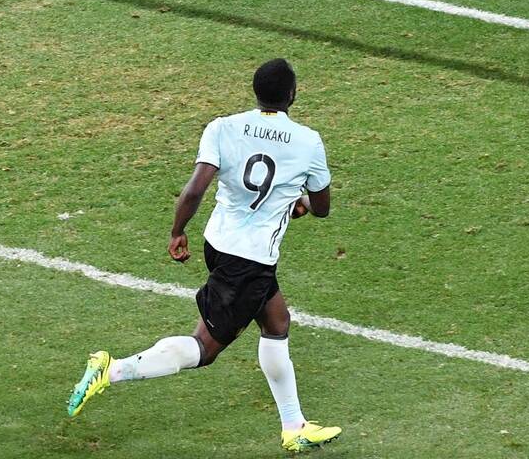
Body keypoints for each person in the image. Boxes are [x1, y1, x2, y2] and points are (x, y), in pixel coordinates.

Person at [66, 58, 341, 453]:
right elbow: (322, 206)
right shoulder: (308, 141)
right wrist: (296, 202)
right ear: (293, 95)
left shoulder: (223, 126)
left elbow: (195, 190)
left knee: (277, 322)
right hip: (250, 261)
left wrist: (178, 231)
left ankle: (293, 425)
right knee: (203, 349)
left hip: (218, 244)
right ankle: (112, 369)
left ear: (255, 91)